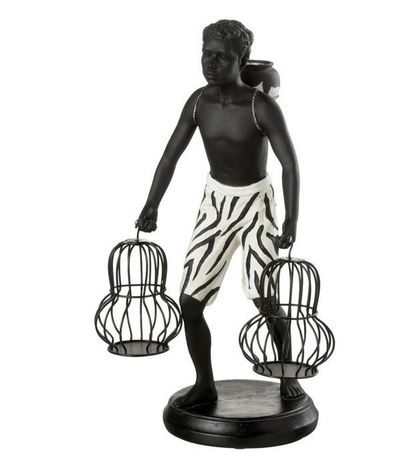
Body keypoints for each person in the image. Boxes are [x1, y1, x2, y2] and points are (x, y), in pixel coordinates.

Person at [136, 19, 303, 408]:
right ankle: (204, 384)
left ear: (240, 60)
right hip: (216, 203)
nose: (210, 63)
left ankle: (287, 370)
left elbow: (289, 165)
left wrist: (292, 219)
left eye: (221, 57)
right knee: (189, 303)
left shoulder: (261, 106)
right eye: (205, 54)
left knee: (265, 298)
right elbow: (170, 156)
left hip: (256, 204)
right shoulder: (199, 102)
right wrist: (151, 203)